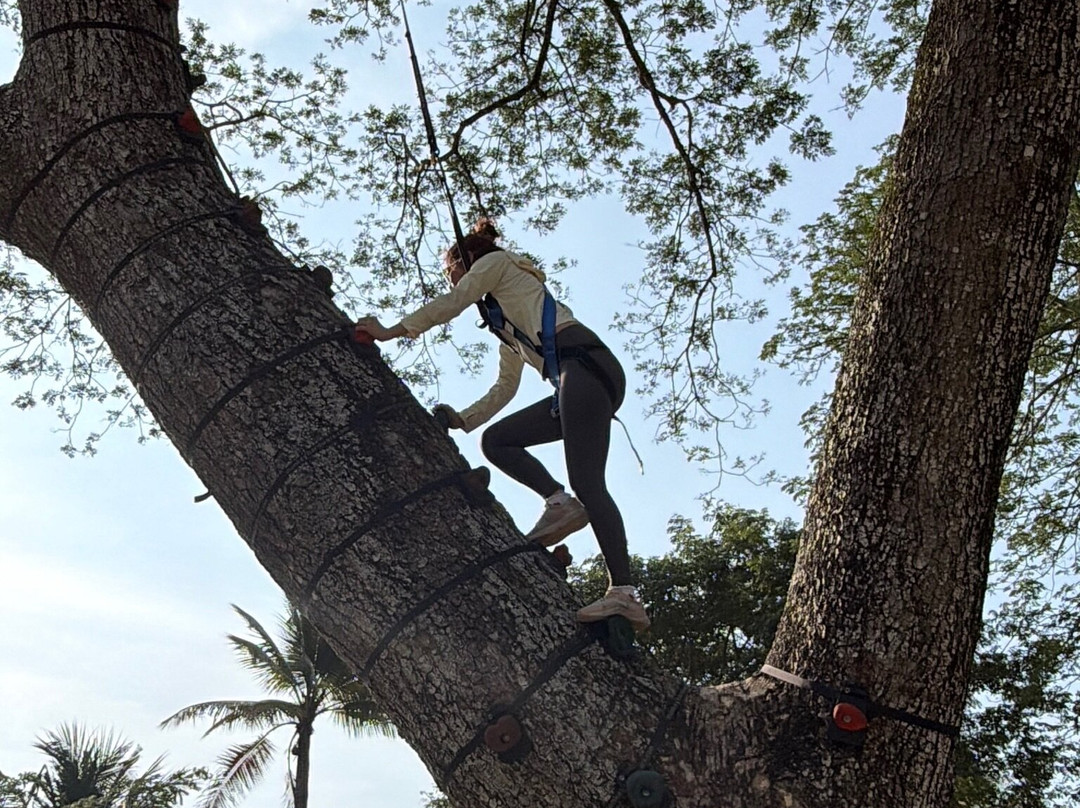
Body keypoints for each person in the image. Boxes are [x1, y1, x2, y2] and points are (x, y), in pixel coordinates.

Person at [354, 220, 648, 632]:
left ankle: (624, 592)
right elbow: (506, 386)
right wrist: (464, 419)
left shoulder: (496, 263)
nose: (452, 277)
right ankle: (559, 504)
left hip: (583, 367)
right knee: (497, 441)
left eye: (451, 269)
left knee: (588, 482)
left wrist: (389, 332)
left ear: (467, 260)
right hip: (578, 379)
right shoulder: (505, 321)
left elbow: (455, 300)